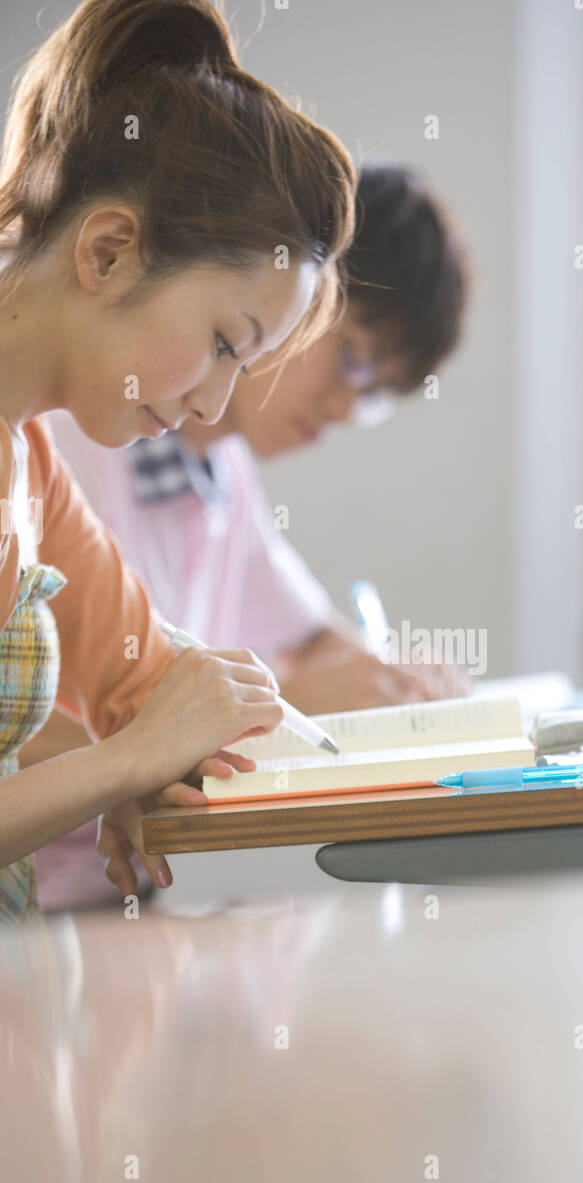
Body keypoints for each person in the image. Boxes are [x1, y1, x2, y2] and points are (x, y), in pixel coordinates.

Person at [26, 164, 471, 908]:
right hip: (49, 898)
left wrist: (392, 680)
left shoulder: (220, 473)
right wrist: (272, 707)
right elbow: (33, 723)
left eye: (373, 397)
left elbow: (312, 636)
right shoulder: (77, 436)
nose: (340, 407)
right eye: (352, 357)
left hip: (115, 894)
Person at [0, 0, 357, 921]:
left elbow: (144, 679)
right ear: (110, 251)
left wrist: (166, 749)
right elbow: (142, 726)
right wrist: (120, 765)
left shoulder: (30, 462)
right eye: (224, 342)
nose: (212, 403)